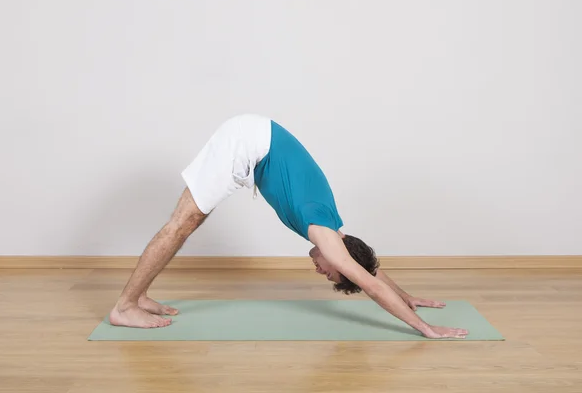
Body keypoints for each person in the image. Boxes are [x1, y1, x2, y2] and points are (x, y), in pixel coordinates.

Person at [109, 114, 469, 339]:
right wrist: (426, 329)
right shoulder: (324, 234)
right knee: (182, 225)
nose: (321, 270)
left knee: (185, 223)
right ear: (339, 258)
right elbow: (369, 285)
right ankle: (125, 307)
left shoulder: (331, 224)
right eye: (330, 273)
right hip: (248, 143)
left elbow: (369, 271)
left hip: (255, 136)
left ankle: (138, 296)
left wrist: (407, 296)